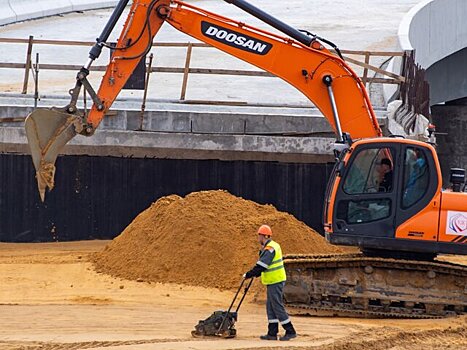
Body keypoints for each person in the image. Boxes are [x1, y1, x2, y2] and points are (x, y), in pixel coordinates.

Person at [243, 224, 297, 341]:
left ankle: (290, 331)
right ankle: (272, 333)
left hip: (276, 280)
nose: (258, 239)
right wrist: (254, 273)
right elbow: (263, 267)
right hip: (273, 280)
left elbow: (262, 265)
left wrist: (249, 274)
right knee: (270, 307)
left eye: (259, 236)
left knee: (277, 306)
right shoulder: (270, 247)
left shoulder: (270, 248)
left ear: (263, 236)